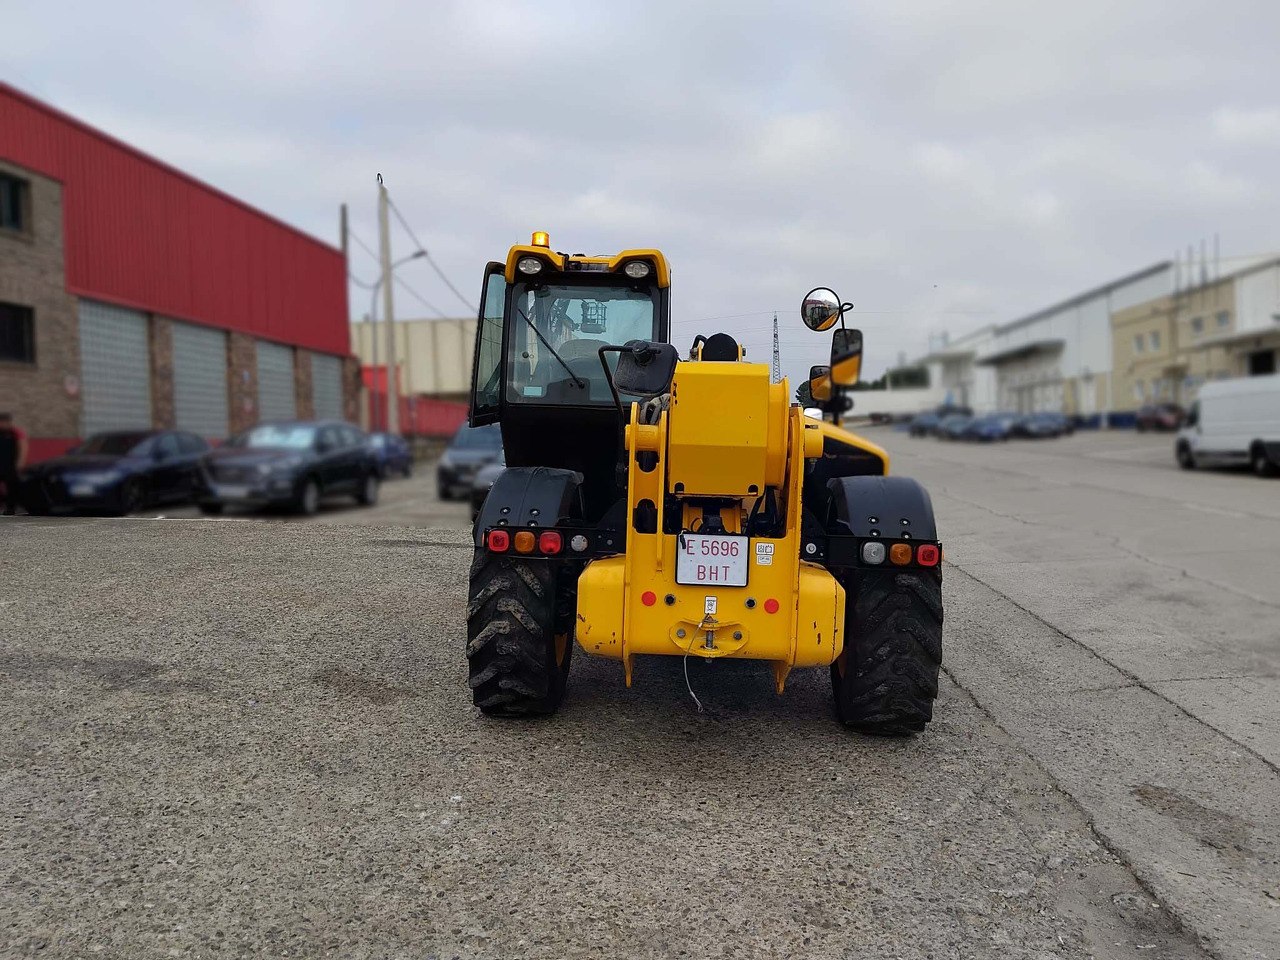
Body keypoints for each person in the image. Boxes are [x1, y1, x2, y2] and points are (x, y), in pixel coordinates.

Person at [0, 412, 28, 515]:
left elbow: (23, 445)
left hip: (10, 465)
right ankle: (4, 501)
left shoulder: (15, 432)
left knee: (12, 487)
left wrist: (20, 462)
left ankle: (10, 508)